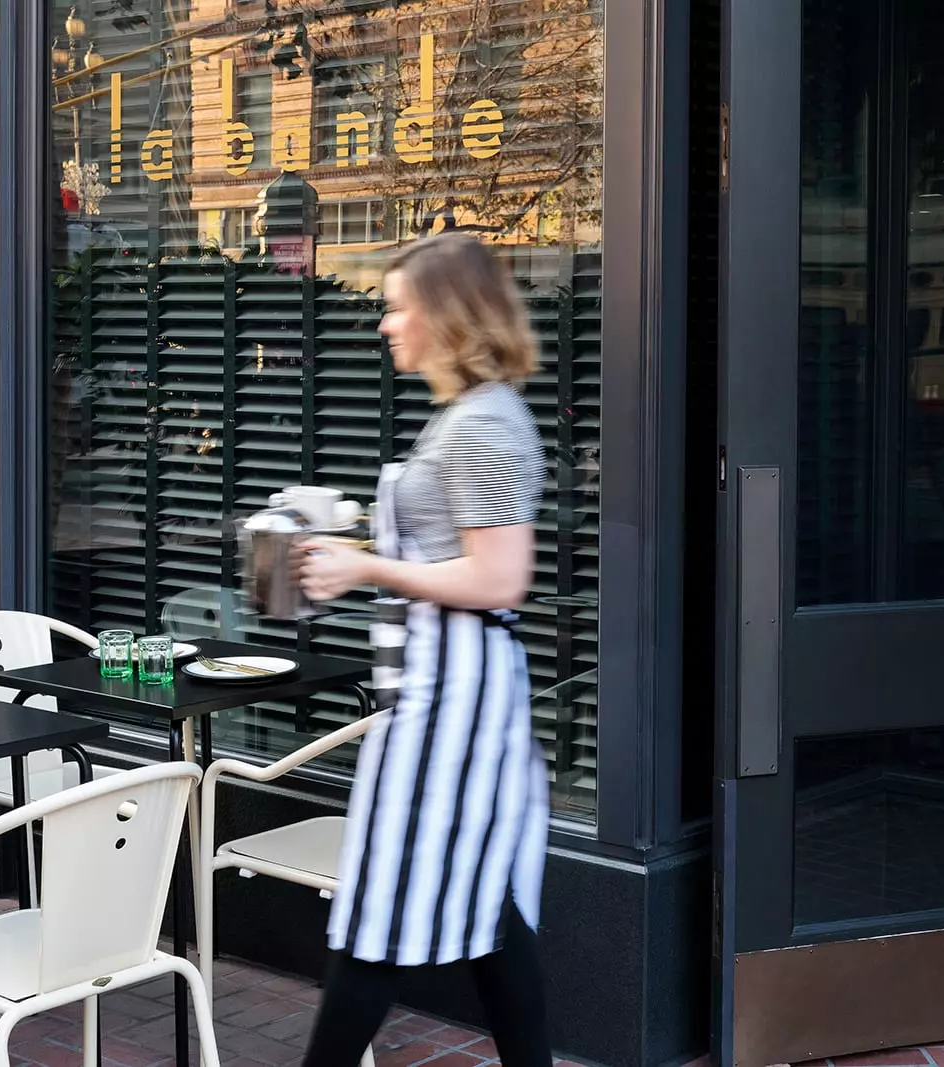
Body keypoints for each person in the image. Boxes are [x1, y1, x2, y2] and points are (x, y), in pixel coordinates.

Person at [296, 233, 551, 1067]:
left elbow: (500, 578)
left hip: (457, 701)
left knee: (380, 907)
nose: (384, 323)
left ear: (448, 317)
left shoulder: (481, 427)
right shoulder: (470, 416)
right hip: (456, 690)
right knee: (485, 910)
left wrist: (364, 563)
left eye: (398, 305)